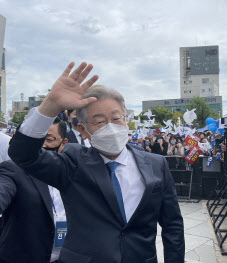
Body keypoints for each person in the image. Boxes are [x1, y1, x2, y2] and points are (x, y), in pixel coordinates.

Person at [8, 62, 185, 263]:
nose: (110, 127)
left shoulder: (156, 164)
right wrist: (50, 105)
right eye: (99, 122)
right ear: (83, 130)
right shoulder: (72, 163)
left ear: (125, 120)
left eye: (116, 118)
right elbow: (22, 154)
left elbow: (173, 226)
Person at [0, 118, 68, 263]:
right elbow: (3, 190)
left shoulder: (72, 171)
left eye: (49, 139)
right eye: (36, 139)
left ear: (63, 143)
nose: (41, 145)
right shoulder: (12, 170)